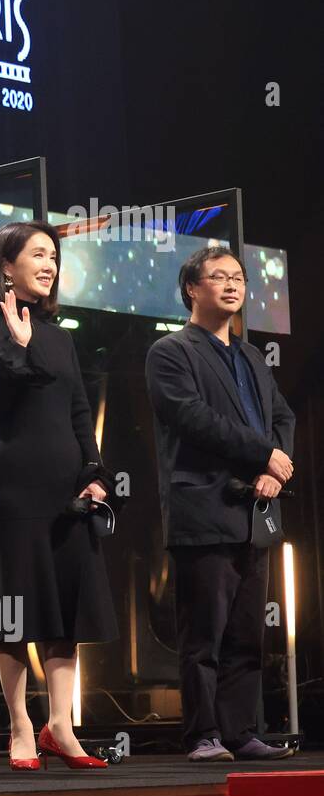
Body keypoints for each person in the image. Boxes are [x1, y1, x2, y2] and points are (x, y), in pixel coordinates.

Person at [0, 221, 117, 771]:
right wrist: (20, 351)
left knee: (63, 610)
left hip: (65, 488)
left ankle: (61, 726)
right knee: (15, 609)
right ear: (7, 266)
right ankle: (20, 726)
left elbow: (79, 410)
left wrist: (94, 470)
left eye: (53, 254)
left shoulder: (63, 335)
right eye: (38, 254)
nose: (49, 263)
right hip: (15, 487)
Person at [145, 246, 295, 762]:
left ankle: (241, 730)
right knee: (203, 632)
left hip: (257, 507)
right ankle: (204, 734)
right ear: (192, 287)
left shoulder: (251, 355)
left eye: (238, 277)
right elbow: (193, 418)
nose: (232, 285)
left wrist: (276, 467)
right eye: (218, 277)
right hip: (203, 506)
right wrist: (264, 455)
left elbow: (283, 418)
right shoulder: (170, 352)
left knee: (247, 633)